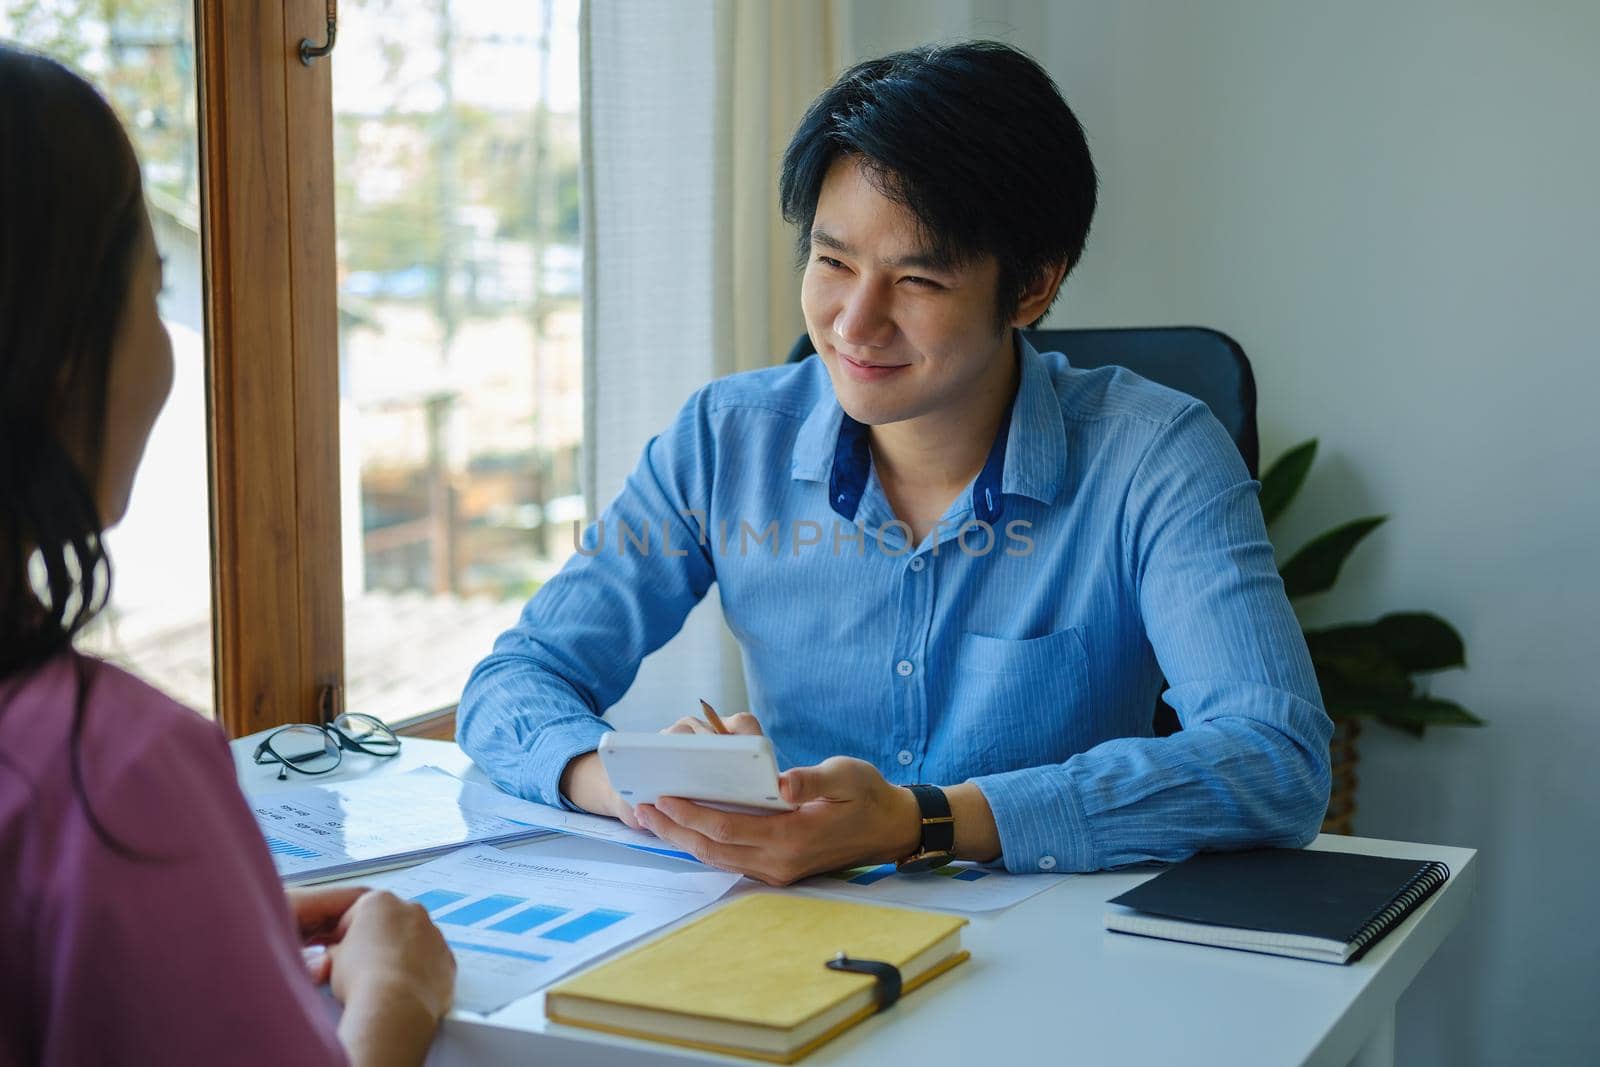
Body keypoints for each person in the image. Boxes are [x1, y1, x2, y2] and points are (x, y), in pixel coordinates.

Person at [459, 41, 1332, 885]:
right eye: (833, 261)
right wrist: (638, 789)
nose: (852, 324)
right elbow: (516, 681)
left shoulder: (1157, 456)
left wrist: (926, 820)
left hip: (1057, 957)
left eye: (917, 282)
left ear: (1032, 287)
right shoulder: (726, 438)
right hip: (785, 930)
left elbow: (1275, 760)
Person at [0, 46, 455, 1066]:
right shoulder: (112, 775)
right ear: (59, 344)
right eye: (154, 293)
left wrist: (190, 908)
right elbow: (529, 670)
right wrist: (394, 999)